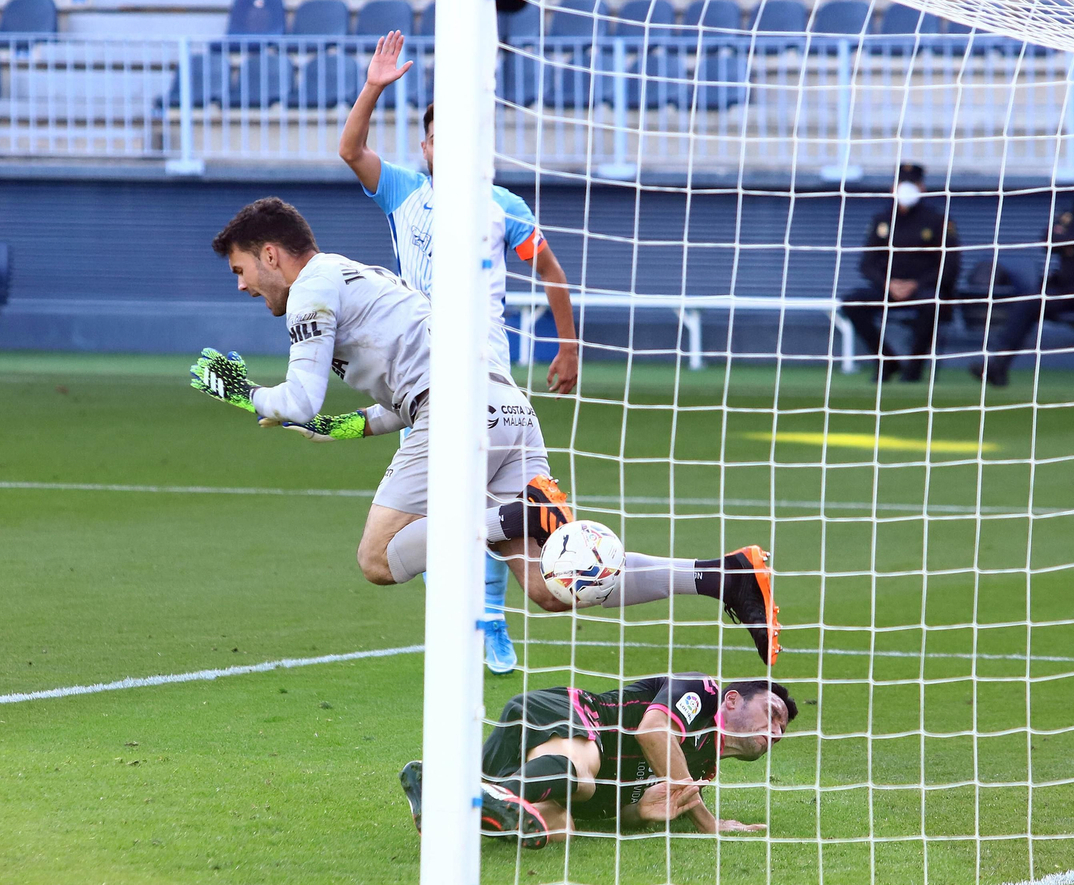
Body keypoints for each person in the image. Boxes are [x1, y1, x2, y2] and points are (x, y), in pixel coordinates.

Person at [192, 198, 781, 664]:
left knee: (377, 558)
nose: (242, 286)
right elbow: (397, 394)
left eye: (241, 270)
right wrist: (350, 427)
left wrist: (240, 392)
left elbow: (298, 397)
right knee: (554, 587)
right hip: (504, 408)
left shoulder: (312, 288)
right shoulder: (354, 278)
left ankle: (514, 516)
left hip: (456, 413)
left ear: (271, 254)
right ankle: (724, 576)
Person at [339, 30, 584, 674]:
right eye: (439, 135)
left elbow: (551, 272)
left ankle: (490, 627)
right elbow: (350, 148)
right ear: (424, 147)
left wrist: (570, 345)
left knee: (451, 516)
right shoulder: (401, 193)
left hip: (478, 375)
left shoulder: (502, 205)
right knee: (457, 519)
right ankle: (478, 619)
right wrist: (374, 87)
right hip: (419, 378)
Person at [399, 674, 797, 845]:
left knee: (558, 826)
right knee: (586, 769)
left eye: (781, 732)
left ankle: (460, 803)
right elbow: (653, 730)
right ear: (733, 700)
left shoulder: (702, 772)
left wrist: (640, 813)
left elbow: (614, 814)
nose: (775, 731)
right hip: (559, 714)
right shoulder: (703, 692)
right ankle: (470, 794)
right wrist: (709, 824)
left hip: (545, 770)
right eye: (772, 713)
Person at [971, 165, 1074, 388]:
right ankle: (997, 365)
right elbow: (1049, 239)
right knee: (1028, 301)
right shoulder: (1068, 215)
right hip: (1066, 287)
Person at [840, 163, 960, 382]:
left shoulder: (937, 221)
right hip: (887, 289)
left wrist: (916, 284)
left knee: (932, 304)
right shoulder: (882, 220)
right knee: (852, 303)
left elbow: (950, 264)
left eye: (912, 184)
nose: (906, 189)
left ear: (922, 187)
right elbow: (867, 263)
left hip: (922, 289)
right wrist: (888, 284)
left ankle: (914, 368)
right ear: (892, 187)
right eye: (902, 183)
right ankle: (886, 360)